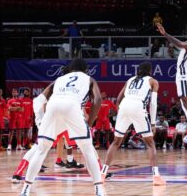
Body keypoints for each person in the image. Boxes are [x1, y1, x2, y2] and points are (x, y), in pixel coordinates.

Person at [19, 59, 105, 196]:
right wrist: (89, 124)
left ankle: (25, 189)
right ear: (85, 70)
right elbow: (98, 100)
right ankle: (99, 189)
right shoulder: (89, 79)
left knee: (41, 150)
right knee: (88, 149)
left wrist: (39, 120)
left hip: (53, 106)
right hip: (72, 106)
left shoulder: (60, 78)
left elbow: (39, 99)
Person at [101, 62, 166, 186]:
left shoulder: (130, 80)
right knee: (150, 144)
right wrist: (152, 123)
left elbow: (119, 98)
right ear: (150, 71)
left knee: (116, 142)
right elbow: (153, 103)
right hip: (138, 106)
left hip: (124, 106)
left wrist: (119, 111)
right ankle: (156, 177)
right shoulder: (153, 81)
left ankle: (102, 174)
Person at [156, 22, 187, 150]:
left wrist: (165, 33)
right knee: (185, 104)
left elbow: (179, 44)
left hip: (183, 74)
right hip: (184, 75)